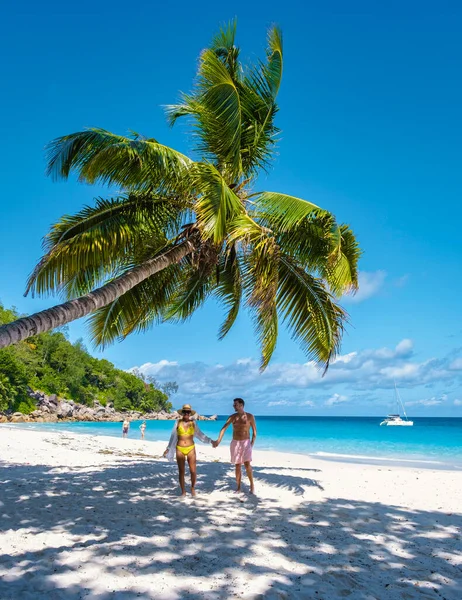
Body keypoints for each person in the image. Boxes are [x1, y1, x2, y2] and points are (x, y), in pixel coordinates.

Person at [163, 404, 214, 497]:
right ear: (182, 413)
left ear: (190, 413)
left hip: (191, 449)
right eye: (185, 412)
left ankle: (192, 488)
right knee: (181, 471)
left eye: (188, 412)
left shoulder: (193, 423)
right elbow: (173, 436)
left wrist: (210, 441)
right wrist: (168, 448)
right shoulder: (177, 423)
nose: (186, 413)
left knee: (193, 471)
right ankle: (183, 491)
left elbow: (200, 435)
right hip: (180, 449)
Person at [213, 398, 257, 494]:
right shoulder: (232, 417)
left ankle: (252, 485)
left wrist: (251, 444)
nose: (233, 406)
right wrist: (218, 440)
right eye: (234, 404)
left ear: (241, 405)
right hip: (235, 442)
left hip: (246, 442)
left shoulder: (250, 416)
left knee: (247, 464)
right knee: (237, 465)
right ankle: (238, 487)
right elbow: (223, 428)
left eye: (235, 404)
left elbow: (254, 431)